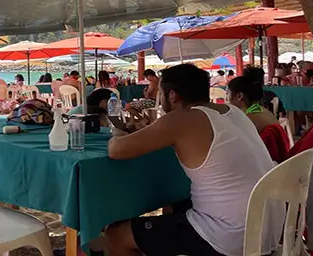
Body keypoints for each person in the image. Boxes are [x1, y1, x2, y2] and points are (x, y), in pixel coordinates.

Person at [105, 64, 283, 256]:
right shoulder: (232, 112)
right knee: (173, 204)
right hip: (269, 228)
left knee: (114, 237)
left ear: (172, 95)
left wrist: (118, 132)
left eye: (161, 94)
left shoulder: (182, 118)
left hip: (230, 236)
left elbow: (116, 150)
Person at [228, 75, 291, 163]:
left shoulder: (247, 119)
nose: (227, 97)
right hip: (275, 164)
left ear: (239, 96)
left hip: (264, 167)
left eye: (228, 93)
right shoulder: (261, 110)